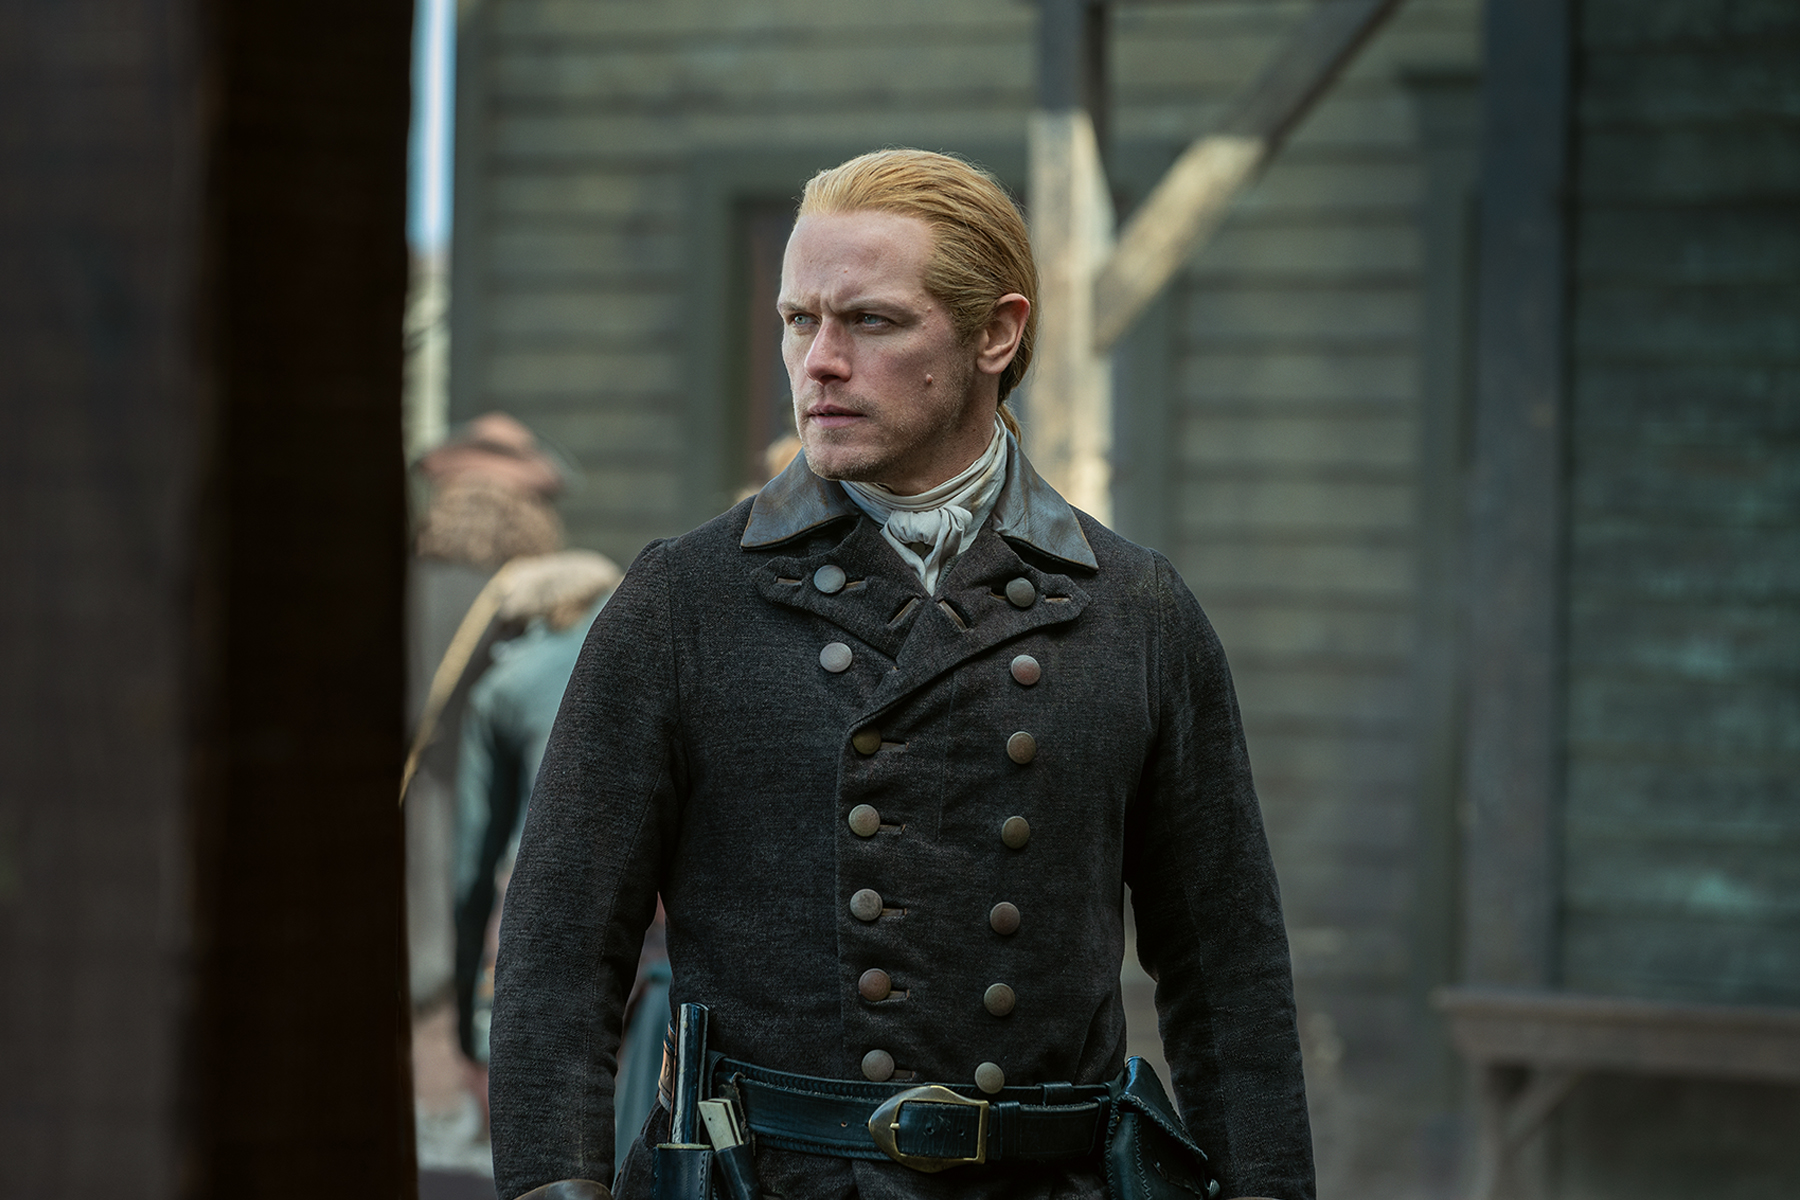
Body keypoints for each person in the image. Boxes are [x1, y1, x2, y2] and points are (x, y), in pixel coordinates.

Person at [489, 149, 1314, 1200]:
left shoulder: (1135, 611)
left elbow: (1228, 977)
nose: (819, 362)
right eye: (799, 320)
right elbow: (559, 957)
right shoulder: (683, 601)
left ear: (996, 334)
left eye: (870, 321)